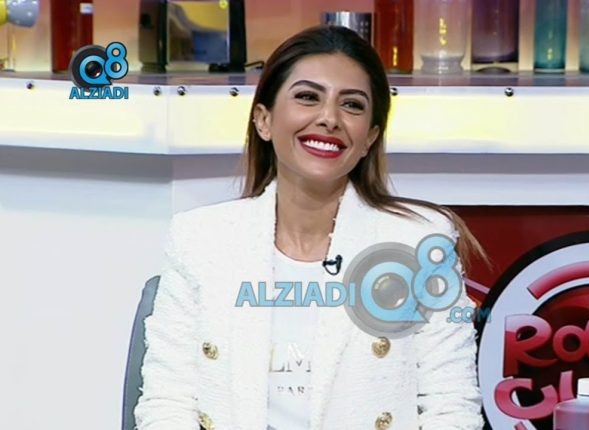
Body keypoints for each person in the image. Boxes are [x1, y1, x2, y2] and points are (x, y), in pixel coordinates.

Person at [134, 25, 488, 430]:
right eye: (307, 97)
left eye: (352, 105)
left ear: (370, 138)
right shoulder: (199, 240)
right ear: (264, 120)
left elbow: (452, 408)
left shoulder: (419, 243)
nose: (329, 119)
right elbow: (167, 403)